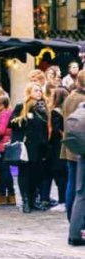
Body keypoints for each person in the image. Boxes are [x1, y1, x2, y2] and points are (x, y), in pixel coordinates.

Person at [10, 82, 50, 213]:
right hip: (26, 147)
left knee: (37, 174)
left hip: (40, 146)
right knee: (25, 173)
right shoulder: (21, 106)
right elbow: (12, 123)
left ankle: (33, 200)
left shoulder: (43, 108)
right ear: (29, 92)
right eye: (36, 90)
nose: (39, 92)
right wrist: (24, 118)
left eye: (40, 90)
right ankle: (26, 200)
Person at [63, 71, 85, 223]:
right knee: (79, 187)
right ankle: (76, 220)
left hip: (71, 144)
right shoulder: (81, 99)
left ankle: (72, 218)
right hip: (81, 147)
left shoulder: (69, 97)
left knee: (72, 183)